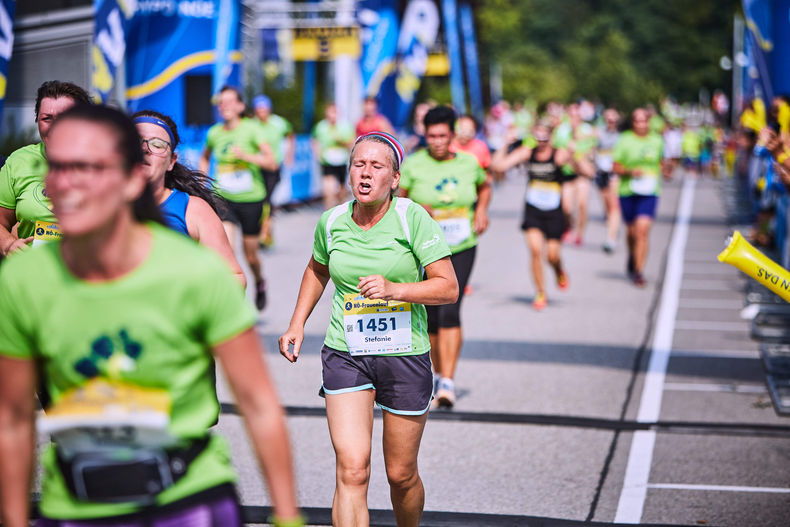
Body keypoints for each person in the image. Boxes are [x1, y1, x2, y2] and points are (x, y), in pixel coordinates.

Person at [0, 104, 302, 527]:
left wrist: (288, 518)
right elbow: (12, 418)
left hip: (186, 500)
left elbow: (259, 404)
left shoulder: (193, 270)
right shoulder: (23, 280)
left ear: (125, 178)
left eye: (87, 168)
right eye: (57, 168)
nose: (64, 184)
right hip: (75, 503)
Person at [278, 132, 458, 526]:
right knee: (352, 469)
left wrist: (396, 290)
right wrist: (297, 323)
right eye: (358, 164)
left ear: (394, 178)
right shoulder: (332, 221)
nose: (365, 173)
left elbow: (448, 287)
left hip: (404, 355)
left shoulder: (413, 218)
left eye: (377, 166)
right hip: (346, 352)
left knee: (401, 474)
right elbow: (318, 269)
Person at [400, 106, 490, 408]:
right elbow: (398, 200)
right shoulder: (413, 165)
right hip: (425, 248)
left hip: (461, 243)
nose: (437, 141)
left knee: (451, 307)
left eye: (442, 135)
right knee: (431, 315)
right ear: (424, 135)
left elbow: (485, 185)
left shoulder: (468, 163)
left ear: (452, 135)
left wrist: (481, 210)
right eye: (431, 135)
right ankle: (437, 376)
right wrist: (416, 209)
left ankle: (448, 381)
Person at [133, 110, 246, 286]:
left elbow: (234, 278)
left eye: (157, 144)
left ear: (172, 161)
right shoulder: (98, 207)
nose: (145, 149)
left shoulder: (192, 210)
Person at [200, 86, 276, 310]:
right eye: (221, 102)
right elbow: (205, 157)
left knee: (250, 256)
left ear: (241, 106)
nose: (224, 106)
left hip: (251, 199)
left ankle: (259, 282)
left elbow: (271, 161)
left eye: (230, 101)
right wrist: (204, 180)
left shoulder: (252, 130)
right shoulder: (214, 133)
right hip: (224, 199)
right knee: (226, 252)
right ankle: (232, 304)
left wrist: (247, 156)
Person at [491, 120, 577, 310]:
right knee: (536, 252)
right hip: (533, 210)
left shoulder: (559, 154)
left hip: (555, 211)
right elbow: (498, 166)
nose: (541, 142)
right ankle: (540, 292)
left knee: (552, 256)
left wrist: (573, 156)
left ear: (551, 138)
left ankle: (558, 270)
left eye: (545, 138)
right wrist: (505, 143)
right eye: (537, 138)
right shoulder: (527, 153)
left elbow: (583, 171)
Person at [0, 80, 91, 256]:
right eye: (47, 118)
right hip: (33, 270)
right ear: (37, 121)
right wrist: (8, 244)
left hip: (90, 274)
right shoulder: (19, 161)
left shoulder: (106, 163)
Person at [612, 108, 665, 287]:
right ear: (633, 123)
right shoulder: (625, 140)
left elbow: (662, 162)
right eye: (638, 121)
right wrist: (630, 171)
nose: (641, 125)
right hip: (628, 190)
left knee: (642, 231)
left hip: (650, 192)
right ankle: (633, 255)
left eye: (644, 121)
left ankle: (639, 271)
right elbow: (616, 166)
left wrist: (666, 169)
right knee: (632, 232)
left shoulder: (657, 140)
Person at [252, 95, 295, 247]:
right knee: (259, 201)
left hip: (274, 167)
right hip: (256, 168)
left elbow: (291, 134)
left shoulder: (279, 123)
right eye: (259, 110)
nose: (262, 112)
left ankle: (265, 233)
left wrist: (290, 155)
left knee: (267, 200)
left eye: (264, 109)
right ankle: (265, 231)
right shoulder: (252, 125)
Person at [552, 102, 596, 246]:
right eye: (570, 115)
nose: (573, 118)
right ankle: (569, 226)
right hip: (567, 172)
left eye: (576, 115)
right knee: (567, 207)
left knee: (582, 205)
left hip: (582, 173)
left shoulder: (587, 130)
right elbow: (558, 152)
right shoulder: (561, 130)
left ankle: (580, 233)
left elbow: (590, 152)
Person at [312, 103, 355, 209]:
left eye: (334, 112)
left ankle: (340, 210)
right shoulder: (321, 127)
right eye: (330, 112)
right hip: (327, 162)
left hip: (341, 161)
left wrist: (341, 141)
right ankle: (328, 214)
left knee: (341, 191)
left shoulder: (345, 126)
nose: (332, 115)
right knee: (328, 191)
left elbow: (352, 143)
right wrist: (317, 154)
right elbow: (314, 140)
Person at [594, 108, 622, 254]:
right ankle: (612, 225)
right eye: (608, 119)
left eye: (613, 120)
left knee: (613, 205)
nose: (611, 122)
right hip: (601, 172)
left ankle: (610, 239)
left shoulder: (621, 136)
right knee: (606, 204)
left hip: (614, 173)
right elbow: (591, 147)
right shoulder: (599, 133)